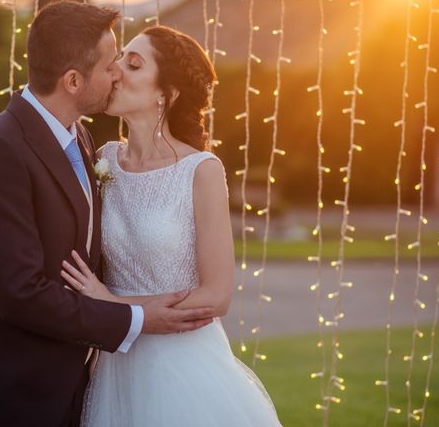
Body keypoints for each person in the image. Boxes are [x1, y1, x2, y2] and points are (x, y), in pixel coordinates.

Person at [0, 1, 215, 427]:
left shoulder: (84, 140)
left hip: (82, 382)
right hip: (13, 389)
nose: (117, 74)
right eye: (111, 64)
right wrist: (138, 316)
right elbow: (22, 293)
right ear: (73, 80)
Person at [60, 25, 282, 426]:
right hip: (116, 366)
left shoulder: (201, 171)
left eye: (133, 63)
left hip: (183, 367)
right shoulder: (103, 157)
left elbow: (216, 297)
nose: (116, 69)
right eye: (119, 58)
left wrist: (112, 305)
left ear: (168, 93)